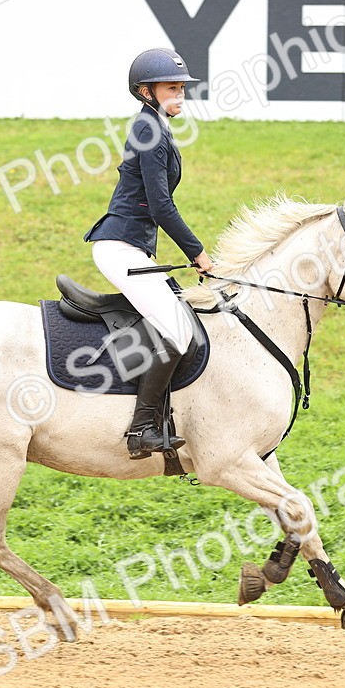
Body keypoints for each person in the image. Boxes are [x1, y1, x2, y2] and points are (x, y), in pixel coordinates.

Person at [84, 48, 213, 460]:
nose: (180, 95)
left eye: (181, 88)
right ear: (146, 92)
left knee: (174, 322)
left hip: (132, 245)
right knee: (177, 331)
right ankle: (141, 429)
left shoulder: (155, 126)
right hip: (120, 246)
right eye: (171, 88)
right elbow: (160, 207)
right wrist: (199, 254)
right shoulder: (149, 131)